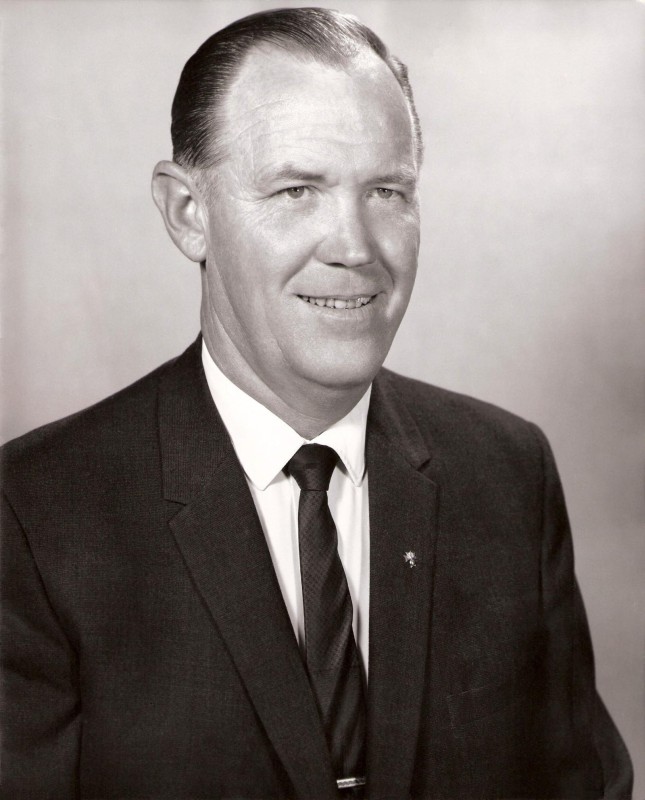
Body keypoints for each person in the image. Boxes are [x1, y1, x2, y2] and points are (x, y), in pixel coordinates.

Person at [0, 7, 633, 799]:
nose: (354, 247)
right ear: (188, 213)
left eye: (387, 191)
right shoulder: (36, 514)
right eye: (297, 189)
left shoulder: (507, 474)